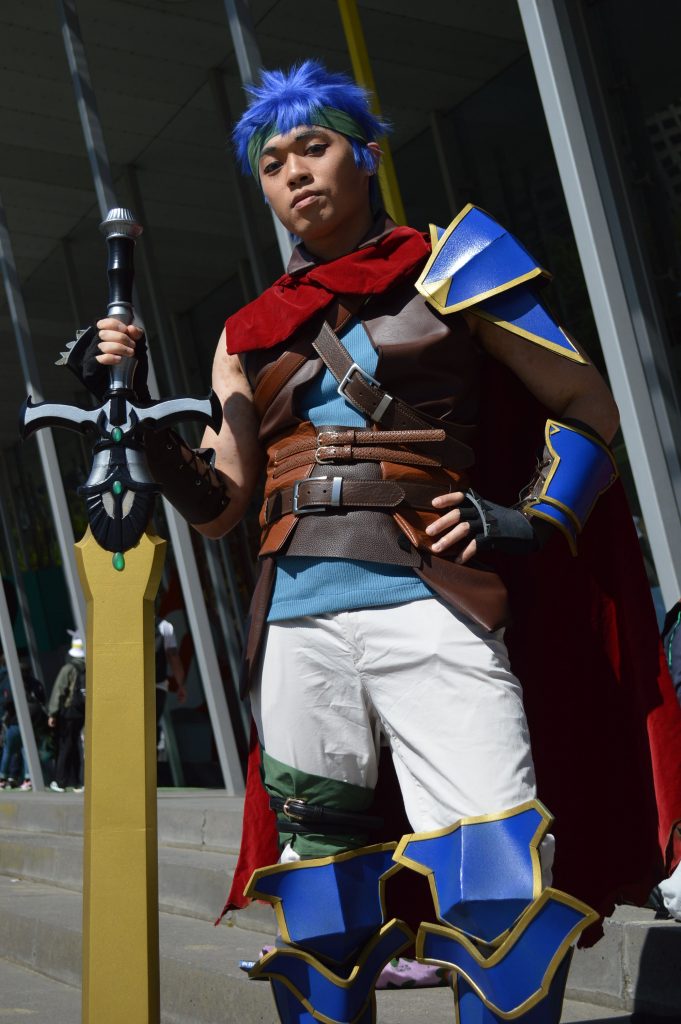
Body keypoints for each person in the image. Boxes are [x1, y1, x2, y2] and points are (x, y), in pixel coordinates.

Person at [67, 61, 681, 1023]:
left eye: (314, 147)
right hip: (297, 623)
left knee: (493, 866)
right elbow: (223, 504)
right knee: (319, 890)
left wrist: (528, 518)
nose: (294, 172)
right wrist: (139, 420)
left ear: (365, 154)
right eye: (273, 162)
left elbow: (586, 407)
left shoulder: (454, 262)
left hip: (431, 597)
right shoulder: (246, 331)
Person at [0, 655, 46, 792]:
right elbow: (42, 699)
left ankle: (3, 778)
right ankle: (28, 778)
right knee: (27, 749)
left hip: (15, 721)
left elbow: (6, 702)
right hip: (33, 720)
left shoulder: (11, 681)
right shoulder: (35, 682)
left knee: (9, 750)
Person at [48, 633, 86, 793]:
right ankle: (78, 782)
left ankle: (60, 781)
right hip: (82, 711)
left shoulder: (68, 668)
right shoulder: (87, 667)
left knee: (65, 745)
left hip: (69, 711)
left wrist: (52, 713)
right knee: (76, 745)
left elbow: (59, 690)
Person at [155, 616, 186, 743]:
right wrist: (181, 686)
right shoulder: (165, 627)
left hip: (135, 687)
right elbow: (173, 658)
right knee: (151, 728)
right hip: (157, 688)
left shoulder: (130, 625)